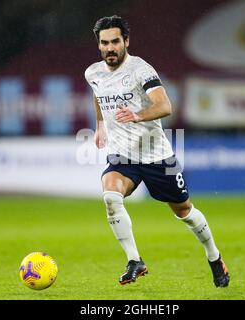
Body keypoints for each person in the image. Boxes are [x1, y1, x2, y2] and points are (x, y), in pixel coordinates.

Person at [84, 15, 229, 287]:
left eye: (115, 41)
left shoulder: (141, 70)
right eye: (104, 43)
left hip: (156, 157)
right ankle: (134, 260)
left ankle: (214, 256)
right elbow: (97, 93)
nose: (110, 48)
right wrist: (101, 124)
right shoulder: (93, 73)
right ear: (99, 45)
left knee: (184, 211)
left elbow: (165, 106)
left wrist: (137, 115)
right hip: (123, 156)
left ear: (126, 41)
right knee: (111, 195)